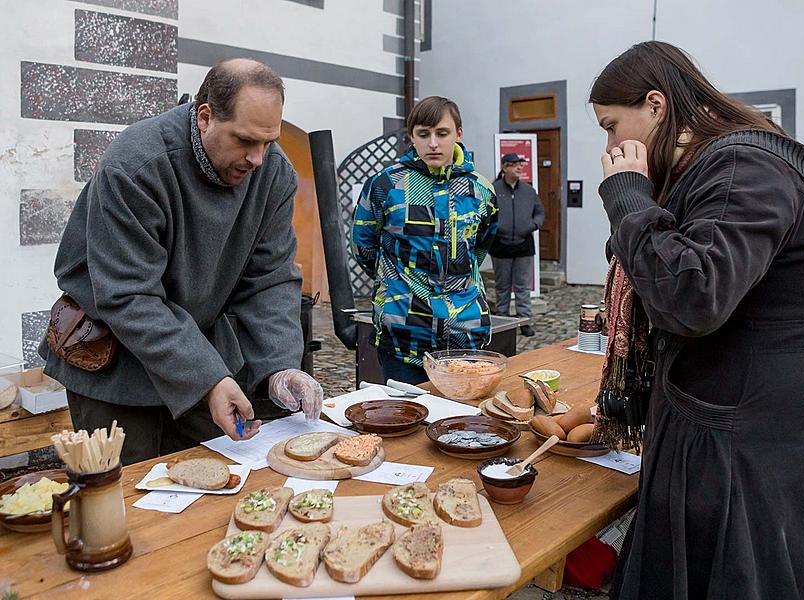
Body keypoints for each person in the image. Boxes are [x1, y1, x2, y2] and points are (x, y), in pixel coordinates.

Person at [589, 42, 804, 599]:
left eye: (611, 125)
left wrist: (628, 198)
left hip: (749, 446)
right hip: (738, 424)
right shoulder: (720, 169)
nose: (609, 144)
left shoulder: (740, 166)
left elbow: (693, 296)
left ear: (655, 105)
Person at [40, 59, 323, 465]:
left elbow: (271, 280)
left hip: (198, 352)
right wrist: (209, 378)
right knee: (129, 505)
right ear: (205, 116)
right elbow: (128, 295)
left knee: (213, 493)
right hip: (115, 362)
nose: (257, 158)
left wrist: (279, 366)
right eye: (245, 140)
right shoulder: (137, 165)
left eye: (268, 141)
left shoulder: (273, 174)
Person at [351, 96, 498, 384]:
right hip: (403, 334)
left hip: (463, 333)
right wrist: (395, 285)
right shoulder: (386, 185)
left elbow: (479, 249)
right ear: (412, 137)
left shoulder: (480, 191)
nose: (433, 143)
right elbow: (363, 247)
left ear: (458, 134)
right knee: (406, 421)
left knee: (460, 422)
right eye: (423, 134)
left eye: (442, 134)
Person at [489, 153, 544, 337]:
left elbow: (539, 212)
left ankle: (526, 322)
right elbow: (486, 213)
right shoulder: (494, 189)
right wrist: (495, 229)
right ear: (505, 168)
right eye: (514, 165)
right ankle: (503, 323)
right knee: (502, 286)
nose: (519, 168)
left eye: (521, 165)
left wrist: (533, 225)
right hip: (500, 245)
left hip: (524, 245)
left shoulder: (529, 190)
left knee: (523, 287)